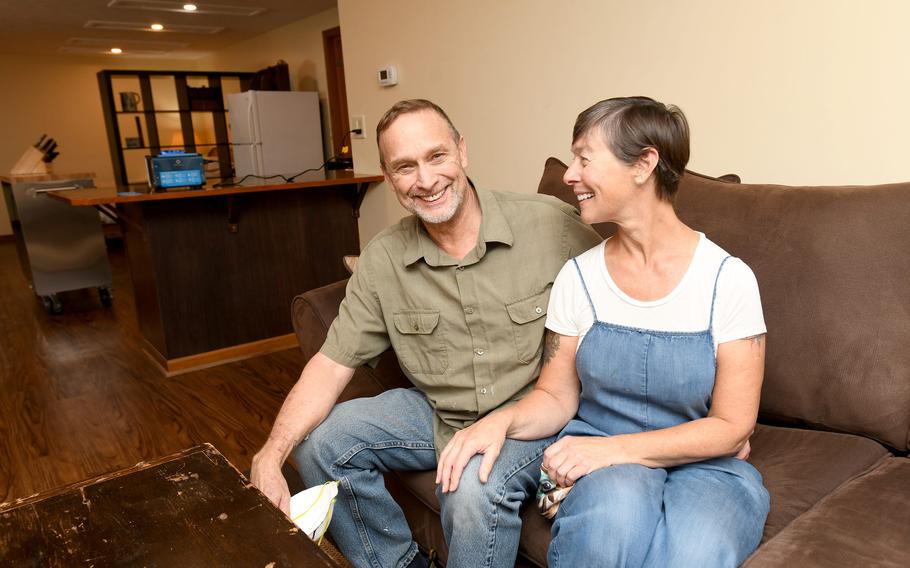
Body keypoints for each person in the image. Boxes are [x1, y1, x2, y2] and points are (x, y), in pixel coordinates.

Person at [250, 99, 601, 568]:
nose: (426, 180)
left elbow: (627, 294)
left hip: (533, 417)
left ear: (461, 151)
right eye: (405, 167)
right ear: (388, 176)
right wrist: (271, 455)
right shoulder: (383, 259)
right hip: (441, 413)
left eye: (436, 156)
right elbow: (331, 365)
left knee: (473, 485)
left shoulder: (549, 225)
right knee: (322, 444)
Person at [436, 96, 770, 567]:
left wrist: (614, 450)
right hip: (597, 451)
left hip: (705, 465)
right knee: (608, 525)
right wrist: (502, 420)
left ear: (644, 164)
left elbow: (732, 426)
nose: (570, 174)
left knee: (695, 550)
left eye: (584, 158)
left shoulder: (727, 280)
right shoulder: (579, 277)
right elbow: (555, 396)